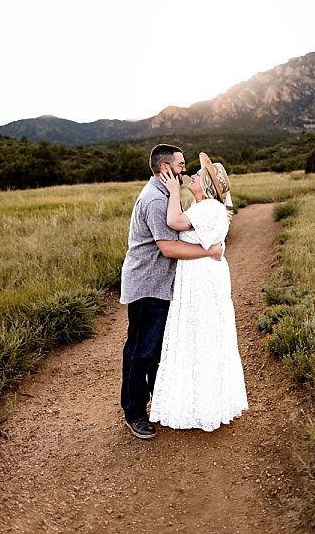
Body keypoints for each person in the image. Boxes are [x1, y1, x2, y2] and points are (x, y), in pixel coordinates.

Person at [119, 144, 225, 441]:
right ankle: (134, 413)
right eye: (180, 165)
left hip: (162, 285)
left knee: (158, 350)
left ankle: (159, 404)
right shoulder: (155, 200)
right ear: (166, 168)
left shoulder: (168, 196)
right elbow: (168, 247)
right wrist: (209, 250)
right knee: (142, 351)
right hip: (148, 284)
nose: (184, 170)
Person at [150, 154, 248, 432]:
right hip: (200, 272)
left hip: (201, 277)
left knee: (200, 334)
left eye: (197, 174)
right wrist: (209, 249)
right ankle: (199, 402)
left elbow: (174, 222)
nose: (191, 175)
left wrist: (171, 192)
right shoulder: (205, 206)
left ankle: (202, 407)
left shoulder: (208, 209)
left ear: (205, 184)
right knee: (200, 334)